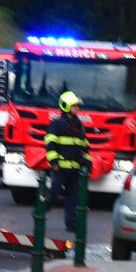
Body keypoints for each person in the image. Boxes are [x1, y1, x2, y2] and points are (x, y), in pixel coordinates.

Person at [45, 91, 91, 233]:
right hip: (59, 168)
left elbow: (84, 146)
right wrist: (54, 162)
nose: (78, 108)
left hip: (74, 169)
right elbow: (50, 145)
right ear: (67, 106)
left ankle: (71, 225)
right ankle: (41, 210)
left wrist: (87, 163)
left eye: (77, 106)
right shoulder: (56, 124)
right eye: (75, 106)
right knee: (54, 192)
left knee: (72, 198)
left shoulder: (79, 126)